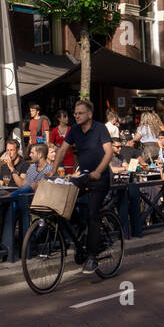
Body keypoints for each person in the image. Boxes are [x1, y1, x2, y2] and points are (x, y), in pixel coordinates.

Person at [61, 97, 115, 273]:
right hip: (83, 176)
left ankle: (92, 257)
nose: (76, 116)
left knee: (92, 213)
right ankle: (83, 231)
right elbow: (62, 149)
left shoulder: (100, 128)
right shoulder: (74, 130)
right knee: (64, 204)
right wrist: (52, 170)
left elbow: (109, 152)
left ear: (90, 114)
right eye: (75, 113)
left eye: (80, 113)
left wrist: (99, 170)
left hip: (101, 177)